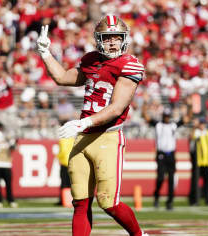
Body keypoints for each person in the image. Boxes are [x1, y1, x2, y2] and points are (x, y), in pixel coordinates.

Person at [36, 15, 148, 236]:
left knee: (108, 202)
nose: (113, 43)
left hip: (107, 137)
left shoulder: (129, 64)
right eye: (108, 38)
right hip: (83, 136)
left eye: (117, 38)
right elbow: (62, 77)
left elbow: (116, 108)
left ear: (124, 39)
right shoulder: (90, 60)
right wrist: (45, 54)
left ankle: (139, 235)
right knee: (80, 202)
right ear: (99, 39)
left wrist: (84, 122)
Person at [142, 106, 189, 210]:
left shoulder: (173, 125)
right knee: (160, 178)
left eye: (168, 116)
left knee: (171, 180)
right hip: (161, 155)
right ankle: (157, 196)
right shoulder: (158, 125)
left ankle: (170, 202)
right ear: (163, 116)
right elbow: (145, 117)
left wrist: (189, 106)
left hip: (171, 155)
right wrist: (145, 104)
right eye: (165, 116)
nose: (167, 118)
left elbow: (187, 119)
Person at [195, 117, 208, 205]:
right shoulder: (197, 133)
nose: (202, 125)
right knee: (196, 182)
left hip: (207, 161)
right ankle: (196, 199)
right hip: (199, 162)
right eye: (201, 124)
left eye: (203, 124)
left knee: (207, 182)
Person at [56, 127, 74, 206]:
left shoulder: (62, 140)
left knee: (64, 183)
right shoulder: (72, 139)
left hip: (64, 162)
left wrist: (59, 157)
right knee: (71, 182)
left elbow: (62, 151)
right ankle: (70, 200)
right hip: (71, 162)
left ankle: (64, 200)